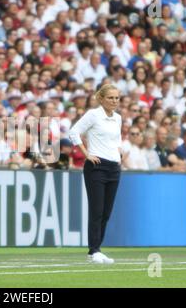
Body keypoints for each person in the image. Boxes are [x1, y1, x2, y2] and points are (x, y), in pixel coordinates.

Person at [68, 84, 121, 264]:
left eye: (117, 98)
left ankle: (97, 249)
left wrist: (118, 157)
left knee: (106, 212)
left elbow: (116, 141)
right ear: (101, 98)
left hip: (114, 167)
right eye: (110, 98)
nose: (114, 101)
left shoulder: (118, 118)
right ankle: (93, 250)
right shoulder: (93, 114)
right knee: (96, 210)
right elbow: (74, 132)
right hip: (96, 166)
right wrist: (86, 153)